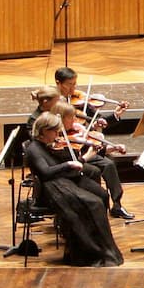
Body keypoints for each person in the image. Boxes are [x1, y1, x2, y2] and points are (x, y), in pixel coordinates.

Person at [25, 113, 124, 267]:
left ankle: (103, 250)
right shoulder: (34, 149)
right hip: (52, 189)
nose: (58, 135)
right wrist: (68, 165)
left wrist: (81, 158)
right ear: (44, 131)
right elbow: (45, 172)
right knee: (93, 203)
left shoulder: (47, 145)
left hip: (63, 182)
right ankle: (90, 253)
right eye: (55, 131)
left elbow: (60, 162)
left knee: (101, 195)